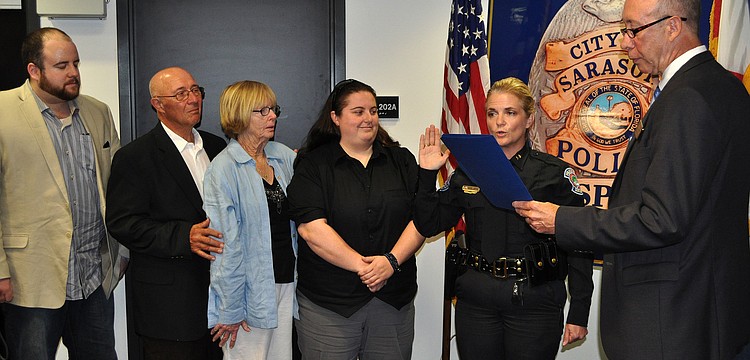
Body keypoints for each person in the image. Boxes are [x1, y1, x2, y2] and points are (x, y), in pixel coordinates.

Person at [512, 0, 750, 358]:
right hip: (696, 310)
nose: (625, 42)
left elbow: (661, 218)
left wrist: (560, 219)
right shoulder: (720, 87)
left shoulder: (687, 98)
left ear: (673, 26)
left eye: (633, 30)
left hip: (670, 321)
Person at [415, 77, 594, 359]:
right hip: (477, 302)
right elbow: (429, 224)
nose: (500, 122)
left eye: (510, 113)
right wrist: (426, 175)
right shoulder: (468, 171)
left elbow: (581, 242)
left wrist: (579, 311)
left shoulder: (554, 174)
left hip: (535, 302)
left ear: (529, 119)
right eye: (492, 113)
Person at [0, 27, 126, 360]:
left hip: (92, 277)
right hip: (31, 281)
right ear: (34, 70)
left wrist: (121, 250)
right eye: (61, 66)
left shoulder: (97, 111)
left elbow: (117, 185)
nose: (73, 72)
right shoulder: (2, 112)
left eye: (75, 63)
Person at [286, 79, 425, 359]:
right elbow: (312, 230)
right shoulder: (313, 164)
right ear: (335, 118)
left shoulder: (402, 160)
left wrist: (391, 262)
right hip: (330, 306)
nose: (369, 119)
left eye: (373, 111)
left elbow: (422, 218)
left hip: (392, 301)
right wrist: (367, 268)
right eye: (358, 111)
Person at [106, 66, 226, 359]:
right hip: (168, 307)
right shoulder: (135, 157)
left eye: (196, 91)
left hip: (221, 302)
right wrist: (184, 236)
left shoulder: (216, 146)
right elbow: (123, 223)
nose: (193, 99)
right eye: (181, 93)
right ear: (158, 104)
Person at [203, 80, 298, 359]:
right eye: (263, 111)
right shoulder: (223, 169)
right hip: (247, 295)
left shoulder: (282, 156)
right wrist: (230, 308)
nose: (273, 116)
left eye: (274, 109)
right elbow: (224, 247)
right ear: (240, 115)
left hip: (285, 284)